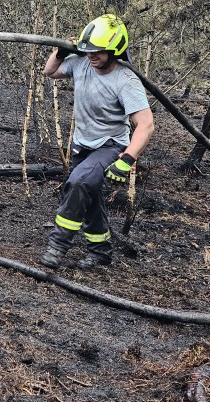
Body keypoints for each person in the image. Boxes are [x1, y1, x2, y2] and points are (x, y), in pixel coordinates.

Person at [40, 14, 154, 270]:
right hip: (82, 146)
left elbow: (146, 124)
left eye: (98, 51)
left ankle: (57, 245)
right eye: (88, 49)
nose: (92, 55)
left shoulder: (126, 81)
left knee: (78, 183)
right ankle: (101, 251)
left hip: (110, 146)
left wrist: (127, 160)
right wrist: (61, 52)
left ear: (115, 51)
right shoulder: (81, 63)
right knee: (90, 198)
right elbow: (50, 72)